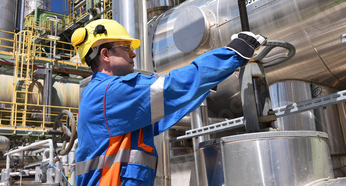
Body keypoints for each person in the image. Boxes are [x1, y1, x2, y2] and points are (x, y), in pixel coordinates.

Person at [71, 19, 265, 186]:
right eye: (126, 47)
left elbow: (167, 109)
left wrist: (204, 84)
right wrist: (234, 53)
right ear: (105, 54)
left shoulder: (104, 98)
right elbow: (171, 87)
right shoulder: (110, 93)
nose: (133, 54)